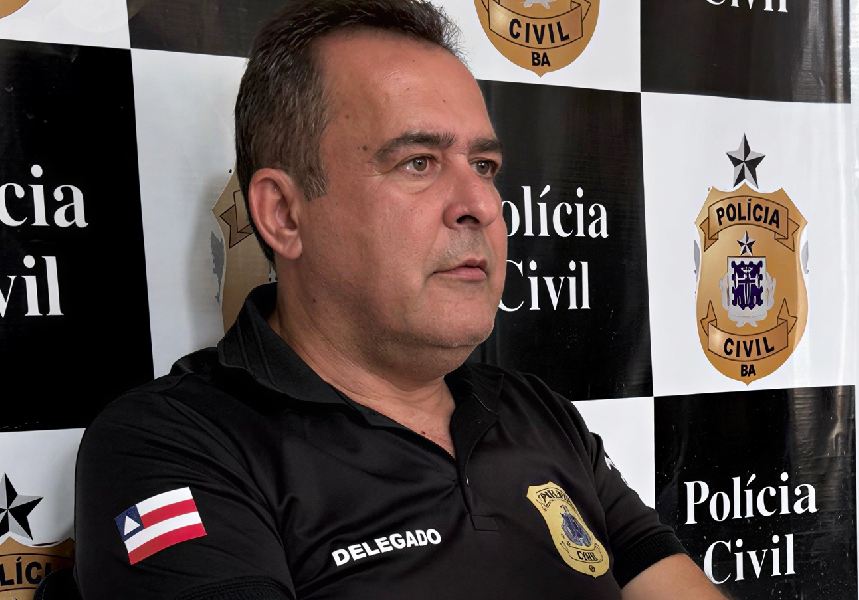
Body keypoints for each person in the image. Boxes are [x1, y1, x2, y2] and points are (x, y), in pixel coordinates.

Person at [74, 1, 728, 599]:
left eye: (484, 166)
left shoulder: (537, 413)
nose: (481, 205)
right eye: (419, 162)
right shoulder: (174, 446)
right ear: (284, 215)